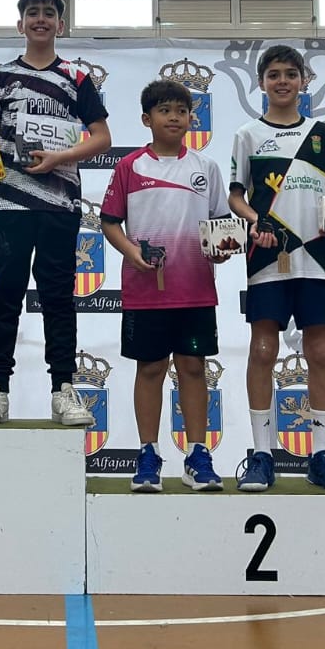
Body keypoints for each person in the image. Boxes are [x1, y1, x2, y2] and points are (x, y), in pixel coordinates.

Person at [0, 0, 112, 427]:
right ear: (21, 24)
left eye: (49, 13)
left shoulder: (77, 78)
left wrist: (61, 157)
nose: (41, 19)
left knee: (57, 297)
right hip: (8, 200)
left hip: (59, 201)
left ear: (60, 25)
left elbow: (102, 138)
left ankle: (63, 389)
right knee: (4, 294)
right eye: (33, 13)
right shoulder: (1, 78)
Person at [228, 45, 325, 492]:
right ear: (261, 83)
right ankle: (262, 455)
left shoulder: (322, 133)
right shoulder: (247, 134)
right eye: (273, 74)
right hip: (267, 258)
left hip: (316, 258)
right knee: (263, 351)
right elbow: (236, 196)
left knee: (319, 353)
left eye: (290, 73)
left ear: (303, 80)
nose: (282, 81)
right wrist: (254, 221)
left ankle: (321, 455)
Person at [100, 79, 235, 490]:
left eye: (181, 110)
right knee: (151, 368)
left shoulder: (206, 168)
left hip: (195, 289)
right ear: (147, 119)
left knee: (193, 368)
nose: (174, 117)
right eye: (164, 110)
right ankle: (148, 454)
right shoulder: (129, 166)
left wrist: (221, 249)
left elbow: (220, 224)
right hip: (145, 291)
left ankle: (198, 455)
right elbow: (109, 221)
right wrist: (130, 251)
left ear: (192, 117)